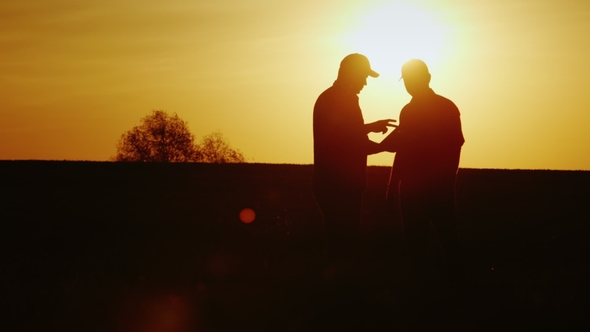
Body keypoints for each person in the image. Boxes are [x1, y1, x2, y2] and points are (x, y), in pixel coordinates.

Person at [381, 59, 465, 292]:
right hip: (413, 190)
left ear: (427, 79)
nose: (409, 85)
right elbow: (402, 149)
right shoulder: (409, 110)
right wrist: (392, 187)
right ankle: (426, 292)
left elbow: (454, 147)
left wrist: (446, 181)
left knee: (447, 242)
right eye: (406, 81)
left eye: (411, 80)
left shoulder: (446, 108)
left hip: (434, 189)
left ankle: (454, 291)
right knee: (418, 246)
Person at [312, 53, 396, 271]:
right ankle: (338, 293)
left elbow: (348, 135)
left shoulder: (334, 98)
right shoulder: (339, 100)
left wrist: (370, 129)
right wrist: (387, 144)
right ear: (351, 74)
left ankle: (335, 290)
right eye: (363, 77)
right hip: (339, 184)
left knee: (341, 245)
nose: (365, 83)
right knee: (344, 246)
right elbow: (347, 141)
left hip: (337, 183)